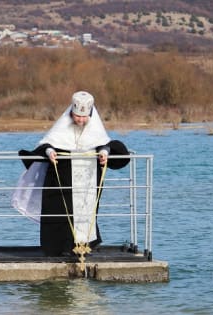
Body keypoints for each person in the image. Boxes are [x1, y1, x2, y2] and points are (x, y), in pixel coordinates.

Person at [12, 91, 130, 257]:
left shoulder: (95, 129)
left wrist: (104, 152)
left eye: (84, 117)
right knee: (59, 211)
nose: (80, 120)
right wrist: (49, 151)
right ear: (71, 114)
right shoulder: (62, 129)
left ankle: (84, 245)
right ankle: (58, 248)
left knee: (85, 212)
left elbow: (105, 144)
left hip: (87, 179)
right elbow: (47, 144)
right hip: (61, 178)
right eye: (77, 117)